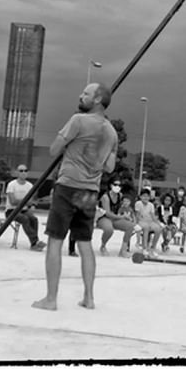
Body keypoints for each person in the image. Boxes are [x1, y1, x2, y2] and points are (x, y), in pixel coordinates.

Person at [32, 83, 118, 312]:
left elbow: (54, 149)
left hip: (68, 187)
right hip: (90, 192)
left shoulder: (78, 120)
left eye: (86, 94)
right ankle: (89, 298)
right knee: (85, 243)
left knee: (55, 240)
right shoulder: (111, 132)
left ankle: (51, 299)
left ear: (98, 99)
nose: (81, 96)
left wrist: (72, 143)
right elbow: (109, 167)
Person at [6, 165, 46, 252]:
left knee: (34, 219)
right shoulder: (11, 185)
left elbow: (30, 201)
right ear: (17, 172)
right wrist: (25, 201)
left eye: (25, 170)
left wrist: (21, 201)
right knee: (25, 219)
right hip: (11, 210)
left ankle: (34, 243)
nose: (23, 172)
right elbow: (12, 201)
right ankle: (35, 241)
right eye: (21, 171)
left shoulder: (29, 185)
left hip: (24, 210)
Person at [97, 178, 138, 258]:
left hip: (116, 218)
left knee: (131, 226)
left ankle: (123, 250)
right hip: (103, 218)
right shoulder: (105, 197)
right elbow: (107, 213)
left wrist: (127, 216)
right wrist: (121, 216)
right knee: (109, 229)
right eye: (115, 184)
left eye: (119, 185)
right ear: (111, 185)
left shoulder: (120, 195)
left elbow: (122, 208)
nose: (117, 187)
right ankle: (103, 246)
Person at [134, 189, 162, 258]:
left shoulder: (151, 205)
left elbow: (153, 216)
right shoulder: (138, 203)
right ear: (140, 197)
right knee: (146, 228)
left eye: (147, 196)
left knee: (158, 229)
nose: (146, 198)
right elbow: (137, 215)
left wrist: (159, 223)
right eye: (144, 196)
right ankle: (145, 248)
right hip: (141, 221)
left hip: (149, 221)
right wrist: (136, 224)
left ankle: (153, 248)